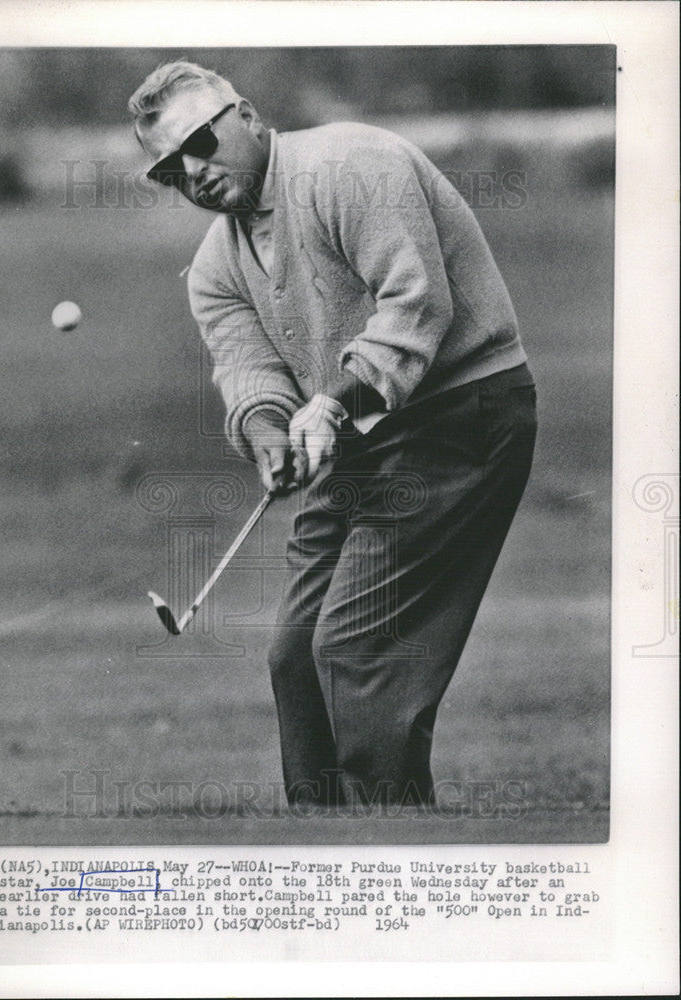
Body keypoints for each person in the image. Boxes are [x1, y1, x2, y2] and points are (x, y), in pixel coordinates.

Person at [128, 61, 537, 808]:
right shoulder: (213, 267)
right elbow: (248, 370)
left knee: (354, 649)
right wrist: (269, 432)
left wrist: (329, 406)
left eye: (199, 142)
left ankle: (394, 859)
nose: (191, 171)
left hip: (460, 414)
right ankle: (322, 856)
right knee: (294, 657)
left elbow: (416, 306)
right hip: (358, 441)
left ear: (245, 117)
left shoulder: (350, 165)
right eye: (169, 166)